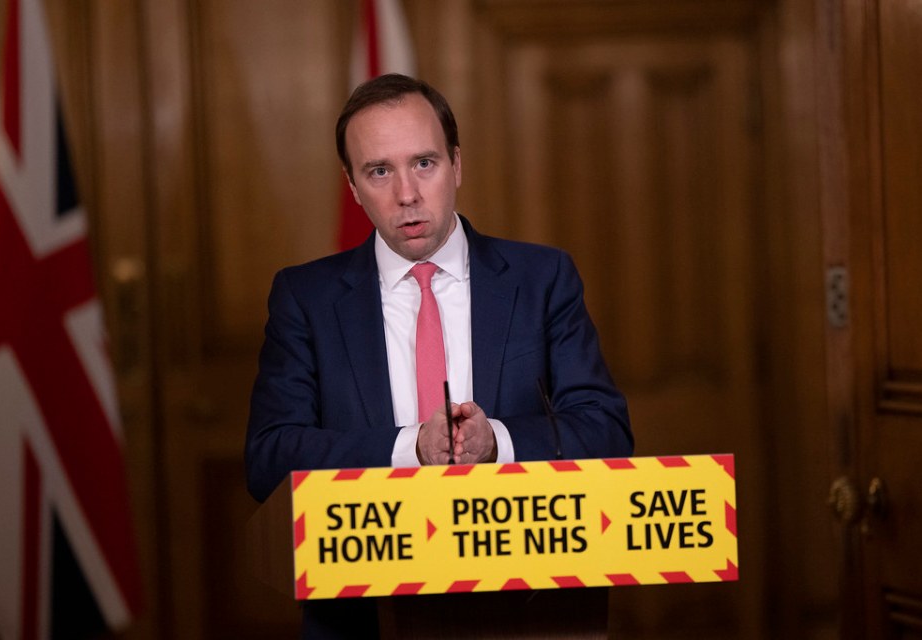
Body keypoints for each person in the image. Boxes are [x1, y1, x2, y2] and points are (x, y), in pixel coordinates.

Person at [245, 73, 632, 638]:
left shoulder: (543, 278)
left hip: (527, 609)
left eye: (424, 164)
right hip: (363, 615)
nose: (407, 194)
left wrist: (496, 440)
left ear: (456, 164)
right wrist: (410, 447)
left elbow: (606, 432)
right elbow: (269, 458)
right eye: (380, 171)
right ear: (352, 186)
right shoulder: (305, 298)